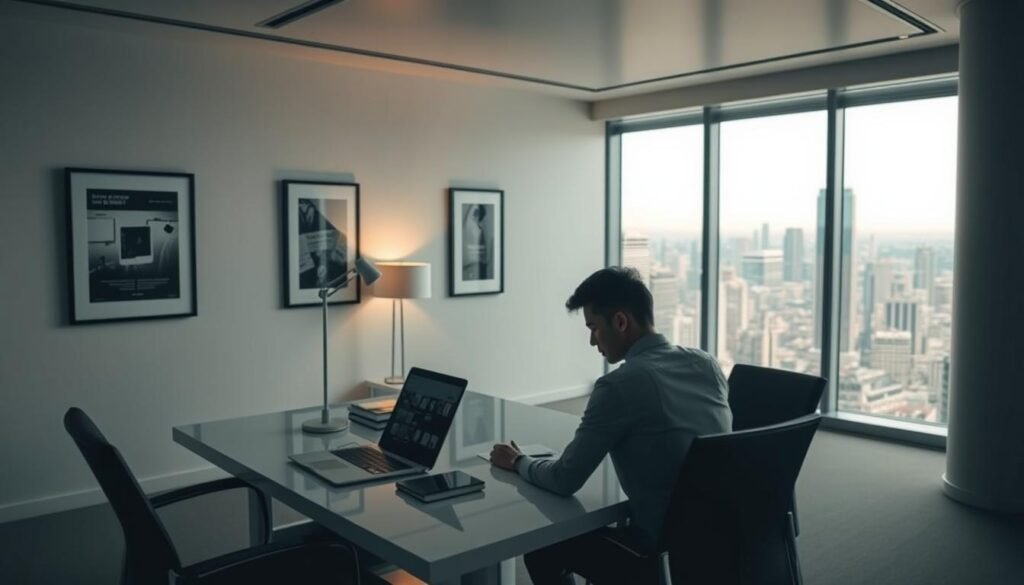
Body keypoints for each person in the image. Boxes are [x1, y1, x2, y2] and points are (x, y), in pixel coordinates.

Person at [489, 266, 732, 585]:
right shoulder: (707, 363)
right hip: (724, 538)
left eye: (593, 328)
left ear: (620, 321)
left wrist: (519, 461)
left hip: (655, 554)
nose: (592, 341)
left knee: (542, 546)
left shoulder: (620, 385)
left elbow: (564, 479)